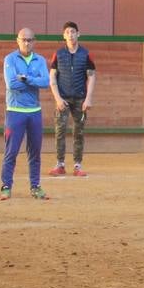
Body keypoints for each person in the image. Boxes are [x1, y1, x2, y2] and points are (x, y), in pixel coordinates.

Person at [0, 28, 51, 201]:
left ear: (34, 41)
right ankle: (6, 186)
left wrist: (26, 79)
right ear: (18, 40)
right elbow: (11, 84)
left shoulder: (40, 60)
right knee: (11, 152)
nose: (27, 43)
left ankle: (35, 186)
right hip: (15, 111)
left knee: (35, 152)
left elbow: (45, 82)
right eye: (24, 40)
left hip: (34, 112)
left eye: (30, 40)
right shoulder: (10, 59)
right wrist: (33, 80)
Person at [47, 22, 95, 178]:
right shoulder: (59, 54)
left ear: (78, 34)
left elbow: (91, 77)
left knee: (78, 132)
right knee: (59, 131)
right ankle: (60, 164)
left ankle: (77, 165)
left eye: (73, 31)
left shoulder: (86, 54)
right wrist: (58, 98)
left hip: (80, 99)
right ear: (64, 35)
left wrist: (88, 99)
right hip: (63, 98)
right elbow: (52, 77)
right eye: (67, 32)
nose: (70, 34)